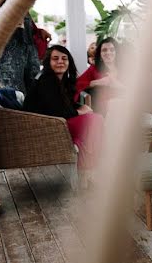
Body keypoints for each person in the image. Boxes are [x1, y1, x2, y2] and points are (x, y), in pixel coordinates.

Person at [23, 45, 103, 187]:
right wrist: (80, 111)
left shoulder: (60, 81)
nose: (60, 62)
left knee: (91, 126)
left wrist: (80, 107)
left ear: (69, 62)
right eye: (55, 59)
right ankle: (88, 172)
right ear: (48, 62)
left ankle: (86, 171)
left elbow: (63, 105)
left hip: (56, 122)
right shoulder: (47, 80)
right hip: (44, 127)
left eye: (64, 58)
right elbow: (57, 111)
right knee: (94, 121)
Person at [75, 37, 124, 114]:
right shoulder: (94, 68)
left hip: (124, 105)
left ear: (117, 52)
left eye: (112, 50)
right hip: (102, 109)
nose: (108, 53)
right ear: (100, 54)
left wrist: (117, 84)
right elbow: (77, 84)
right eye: (104, 50)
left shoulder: (125, 68)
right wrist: (97, 82)